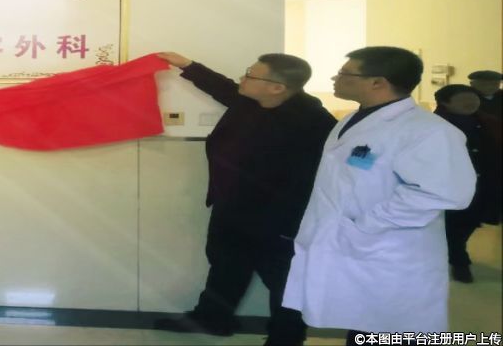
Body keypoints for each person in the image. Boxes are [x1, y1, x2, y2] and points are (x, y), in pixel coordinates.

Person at [282, 47, 476, 345]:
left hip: (388, 252)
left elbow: (445, 193)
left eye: (345, 73)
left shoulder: (429, 131)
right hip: (355, 248)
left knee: (389, 330)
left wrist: (366, 224)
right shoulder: (353, 120)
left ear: (377, 82)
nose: (335, 78)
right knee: (363, 326)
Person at [152, 52, 336, 346]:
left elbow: (310, 181)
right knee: (225, 265)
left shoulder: (314, 123)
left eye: (250, 75)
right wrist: (187, 65)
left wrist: (284, 223)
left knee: (283, 279)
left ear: (277, 87)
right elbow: (223, 87)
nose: (242, 78)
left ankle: (285, 337)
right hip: (232, 205)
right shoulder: (251, 102)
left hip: (277, 217)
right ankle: (212, 318)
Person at [433, 84, 503, 283]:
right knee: (453, 224)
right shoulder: (434, 125)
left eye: (474, 98)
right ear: (445, 102)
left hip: (485, 182)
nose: (471, 103)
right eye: (463, 99)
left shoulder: (488, 122)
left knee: (470, 222)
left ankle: (456, 254)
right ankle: (459, 261)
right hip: (449, 184)